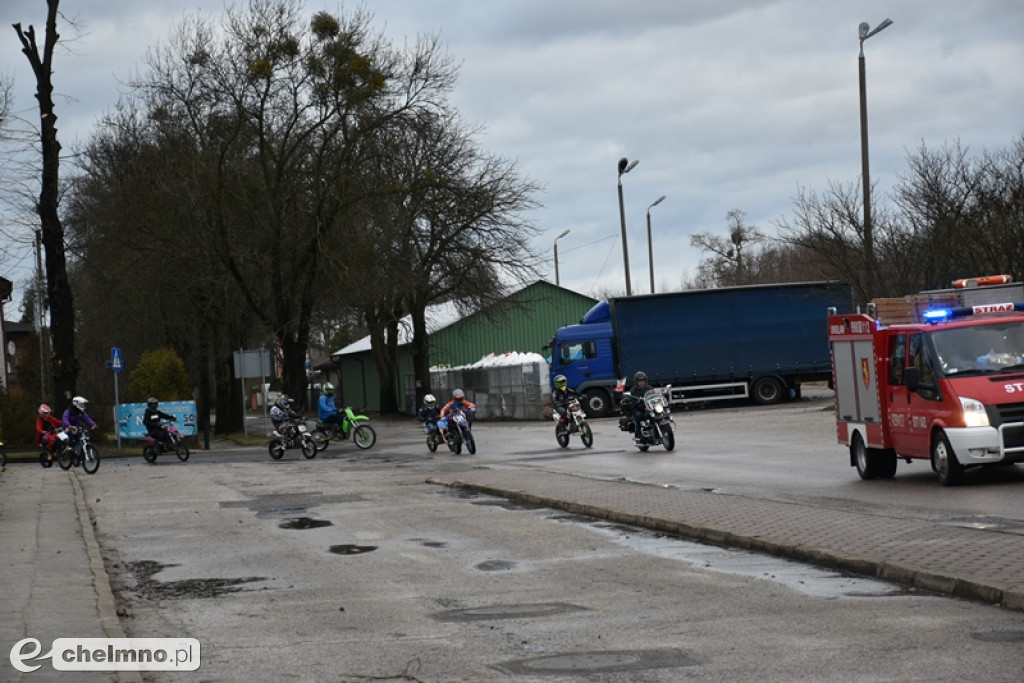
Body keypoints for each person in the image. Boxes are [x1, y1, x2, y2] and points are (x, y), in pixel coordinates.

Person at [626, 371, 649, 441]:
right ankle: (639, 434)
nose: (641, 382)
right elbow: (631, 401)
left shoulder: (649, 388)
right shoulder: (633, 390)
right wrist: (637, 402)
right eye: (639, 381)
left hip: (649, 408)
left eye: (643, 381)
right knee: (638, 415)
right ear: (636, 382)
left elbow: (654, 395)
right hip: (639, 409)